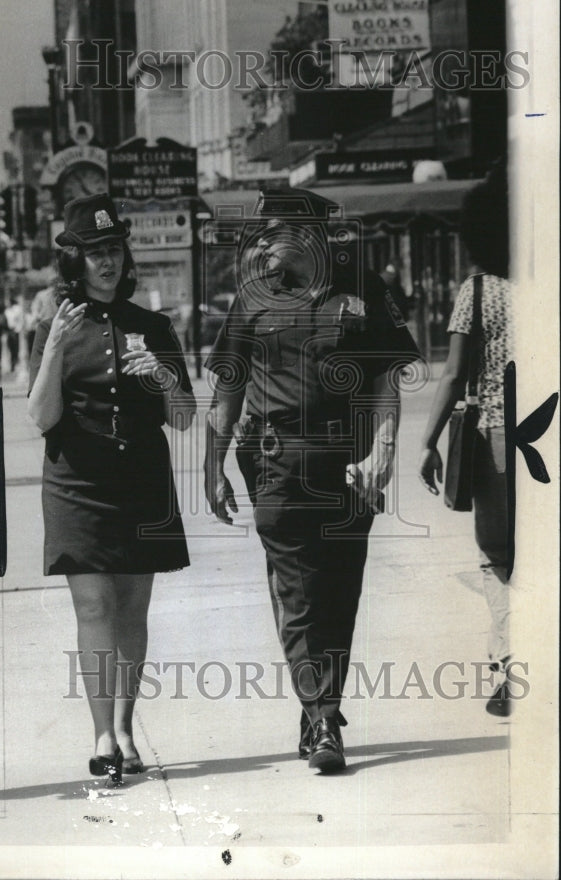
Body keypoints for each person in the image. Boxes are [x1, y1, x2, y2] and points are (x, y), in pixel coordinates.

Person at [204, 188, 422, 773]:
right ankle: (325, 716)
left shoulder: (364, 289)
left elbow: (383, 381)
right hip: (276, 461)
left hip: (348, 461)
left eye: (273, 231)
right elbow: (228, 385)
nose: (264, 242)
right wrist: (212, 462)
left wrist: (384, 449)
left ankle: (316, 706)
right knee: (298, 590)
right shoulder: (251, 298)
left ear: (308, 234)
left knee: (338, 590)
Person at [28, 193, 196, 785]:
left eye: (114, 250)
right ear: (75, 261)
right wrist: (51, 347)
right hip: (77, 486)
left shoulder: (154, 327)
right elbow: (42, 418)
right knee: (93, 605)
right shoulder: (55, 326)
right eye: (95, 252)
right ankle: (102, 735)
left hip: (141, 482)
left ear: (126, 258)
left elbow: (183, 417)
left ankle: (126, 726)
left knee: (132, 610)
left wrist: (167, 377)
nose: (106, 262)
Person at [418, 169, 513, 716]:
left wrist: (428, 442)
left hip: (499, 441)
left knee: (497, 558)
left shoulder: (476, 293)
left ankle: (510, 665)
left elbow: (454, 376)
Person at [4, 294, 24, 373]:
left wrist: (18, 329)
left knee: (16, 349)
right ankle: (11, 364)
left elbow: (20, 320)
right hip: (8, 331)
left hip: (15, 331)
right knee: (10, 348)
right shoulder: (6, 311)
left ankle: (14, 364)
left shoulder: (17, 309)